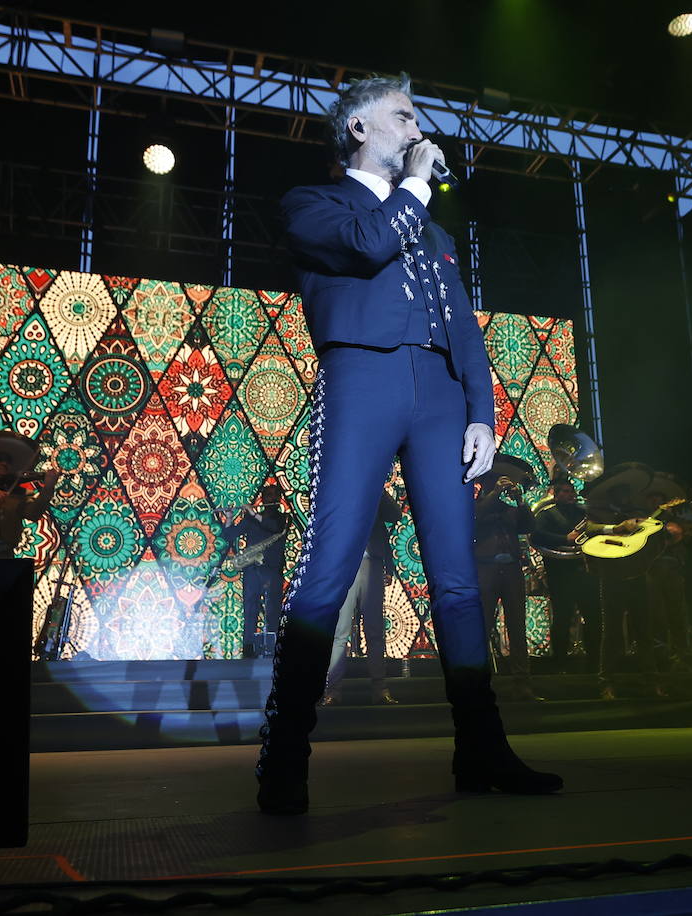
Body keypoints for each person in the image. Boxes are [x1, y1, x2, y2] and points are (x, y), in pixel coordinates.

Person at [256, 73, 561, 815]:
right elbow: (364, 247)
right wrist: (417, 188)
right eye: (403, 114)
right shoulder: (314, 203)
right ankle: (285, 752)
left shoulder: (436, 231)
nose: (417, 126)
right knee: (329, 563)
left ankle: (481, 748)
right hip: (363, 377)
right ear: (359, 129)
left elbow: (461, 323)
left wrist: (483, 412)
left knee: (455, 579)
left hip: (441, 396)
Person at [322, 490, 402, 705]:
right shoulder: (342, 491)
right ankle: (332, 691)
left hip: (372, 564)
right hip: (344, 567)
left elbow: (395, 515)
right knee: (340, 632)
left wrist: (378, 487)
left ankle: (380, 688)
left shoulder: (373, 496)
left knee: (375, 630)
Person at [474, 471, 540, 700]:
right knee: (482, 625)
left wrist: (520, 499)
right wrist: (495, 493)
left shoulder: (511, 510)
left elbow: (530, 525)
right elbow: (476, 518)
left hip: (511, 569)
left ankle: (522, 683)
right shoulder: (479, 505)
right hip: (486, 568)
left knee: (517, 625)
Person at [531, 479, 602, 673]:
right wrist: (565, 539)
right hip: (560, 572)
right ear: (555, 494)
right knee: (563, 617)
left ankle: (594, 662)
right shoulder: (546, 515)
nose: (571, 495)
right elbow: (535, 535)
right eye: (566, 491)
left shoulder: (583, 514)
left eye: (572, 492)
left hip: (584, 569)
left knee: (593, 617)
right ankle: (560, 663)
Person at [220, 482, 289, 658]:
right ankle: (248, 649)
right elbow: (229, 535)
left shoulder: (282, 518)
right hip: (252, 569)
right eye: (268, 495)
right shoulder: (251, 519)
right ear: (262, 498)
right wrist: (229, 518)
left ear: (279, 499)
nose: (271, 498)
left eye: (274, 496)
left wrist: (253, 513)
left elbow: (274, 528)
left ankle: (273, 649)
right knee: (250, 608)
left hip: (272, 570)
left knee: (273, 610)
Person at [0, 451, 60, 559]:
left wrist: (48, 487)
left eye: (8, 461)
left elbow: (33, 514)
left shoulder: (18, 494)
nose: (4, 464)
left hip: (4, 555)